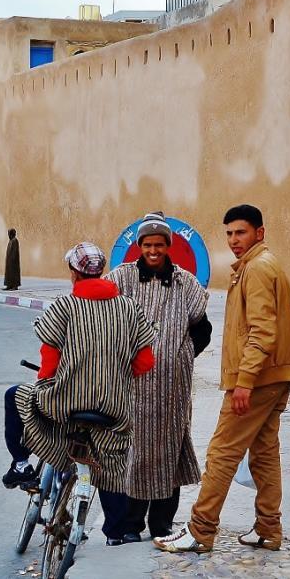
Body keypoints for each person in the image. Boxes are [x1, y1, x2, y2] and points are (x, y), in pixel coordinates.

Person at [156, 204, 290, 554]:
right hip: (273, 374)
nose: (234, 240)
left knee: (222, 452)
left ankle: (200, 530)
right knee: (263, 452)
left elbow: (262, 331)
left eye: (241, 233)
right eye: (230, 234)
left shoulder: (259, 269)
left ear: (259, 233)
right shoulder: (254, 266)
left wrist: (244, 381)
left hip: (258, 378)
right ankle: (268, 528)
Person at [2, 242, 157, 545]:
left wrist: (50, 383)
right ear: (103, 273)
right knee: (112, 462)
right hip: (114, 408)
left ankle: (21, 466)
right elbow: (146, 361)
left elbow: (48, 363)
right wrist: (115, 379)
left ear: (74, 273)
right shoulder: (129, 308)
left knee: (14, 396)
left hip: (65, 405)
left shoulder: (63, 306)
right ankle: (116, 533)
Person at [106, 211, 210, 543]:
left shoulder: (184, 282)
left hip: (171, 388)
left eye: (159, 244)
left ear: (168, 245)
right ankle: (132, 524)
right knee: (135, 452)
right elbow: (103, 316)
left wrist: (181, 354)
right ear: (140, 246)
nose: (153, 250)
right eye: (148, 244)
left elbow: (203, 329)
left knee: (170, 450)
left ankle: (162, 524)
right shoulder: (121, 279)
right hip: (132, 386)